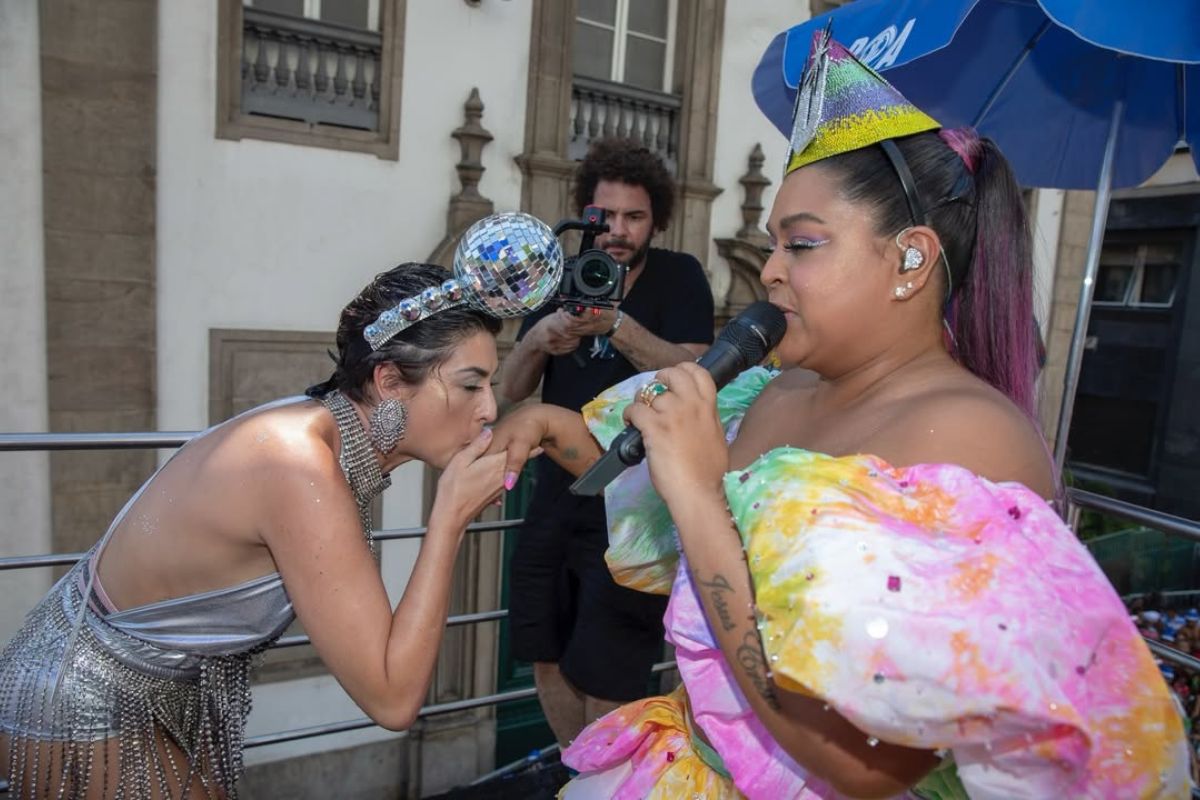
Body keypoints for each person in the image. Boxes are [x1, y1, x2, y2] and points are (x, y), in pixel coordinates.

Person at [492, 31, 1190, 798]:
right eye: (774, 245)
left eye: (804, 245)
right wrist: (535, 424)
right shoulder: (776, 390)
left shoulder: (972, 440)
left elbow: (865, 760)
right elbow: (632, 460)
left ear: (911, 260)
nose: (773, 270)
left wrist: (696, 494)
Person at [0, 263, 513, 799]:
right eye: (471, 384)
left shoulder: (323, 436)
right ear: (388, 382)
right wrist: (448, 521)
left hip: (138, 686)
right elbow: (392, 699)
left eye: (491, 384)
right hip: (81, 695)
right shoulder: (297, 463)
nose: (489, 408)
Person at [497, 137, 715, 747]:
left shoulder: (679, 277)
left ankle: (610, 782)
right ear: (586, 214)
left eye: (634, 217)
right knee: (544, 650)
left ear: (657, 220)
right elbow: (509, 391)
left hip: (634, 506)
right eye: (607, 216)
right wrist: (539, 337)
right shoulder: (556, 275)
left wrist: (615, 322)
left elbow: (696, 373)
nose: (618, 231)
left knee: (609, 670)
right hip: (553, 495)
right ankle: (576, 770)